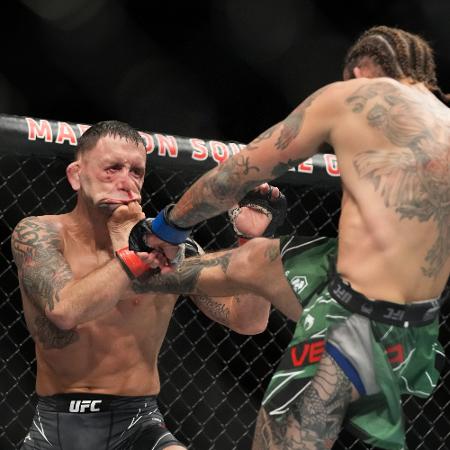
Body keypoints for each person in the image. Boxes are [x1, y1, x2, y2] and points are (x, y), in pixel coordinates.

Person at [131, 26, 450, 450]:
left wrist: (170, 224)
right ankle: (150, 269)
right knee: (259, 258)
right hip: (418, 326)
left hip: (351, 323)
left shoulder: (353, 96)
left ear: (361, 69)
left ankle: (157, 251)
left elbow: (234, 176)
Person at [10, 120, 278, 450]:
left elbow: (247, 320)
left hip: (137, 424)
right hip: (57, 427)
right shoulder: (40, 234)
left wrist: (252, 241)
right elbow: (66, 310)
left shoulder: (170, 248)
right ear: (76, 175)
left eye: (136, 172)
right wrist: (132, 251)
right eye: (112, 168)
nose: (126, 181)